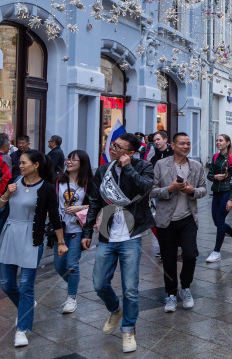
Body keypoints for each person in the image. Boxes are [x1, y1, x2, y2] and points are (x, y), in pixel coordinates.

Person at [81, 133, 155, 353]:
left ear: (130, 152)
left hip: (131, 236)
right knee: (98, 283)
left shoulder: (143, 167)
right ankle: (115, 308)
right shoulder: (104, 171)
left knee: (130, 288)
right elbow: (94, 201)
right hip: (107, 233)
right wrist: (87, 231)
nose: (112, 148)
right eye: (112, 145)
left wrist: (129, 167)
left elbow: (145, 188)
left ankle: (128, 329)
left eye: (118, 146)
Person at [0, 150, 66, 347]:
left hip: (32, 237)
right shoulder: (14, 181)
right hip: (10, 233)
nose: (20, 166)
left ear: (36, 165)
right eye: (19, 163)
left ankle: (22, 329)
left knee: (27, 286)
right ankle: (25, 306)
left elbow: (54, 216)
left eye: (23, 163)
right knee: (7, 283)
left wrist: (61, 243)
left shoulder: (46, 188)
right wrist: (6, 193)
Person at [151, 133, 206, 312]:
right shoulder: (160, 164)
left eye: (188, 144)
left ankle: (186, 287)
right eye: (182, 143)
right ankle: (171, 294)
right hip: (166, 220)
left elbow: (204, 189)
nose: (186, 146)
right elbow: (151, 190)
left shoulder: (196, 166)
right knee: (168, 259)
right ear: (173, 145)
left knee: (190, 255)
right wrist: (170, 188)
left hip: (188, 218)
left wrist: (192, 190)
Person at [54, 150, 92, 314]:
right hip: (60, 230)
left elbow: (97, 205)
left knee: (71, 264)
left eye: (73, 160)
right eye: (68, 159)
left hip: (77, 228)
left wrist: (80, 207)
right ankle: (73, 285)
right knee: (59, 265)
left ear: (82, 164)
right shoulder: (59, 181)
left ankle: (71, 298)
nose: (69, 162)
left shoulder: (88, 183)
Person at [205, 134, 232, 263]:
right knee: (217, 221)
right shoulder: (215, 157)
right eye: (217, 140)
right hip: (216, 192)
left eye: (221, 141)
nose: (218, 142)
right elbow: (209, 174)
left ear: (228, 143)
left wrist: (231, 199)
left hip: (226, 192)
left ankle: (216, 252)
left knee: (219, 220)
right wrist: (215, 177)